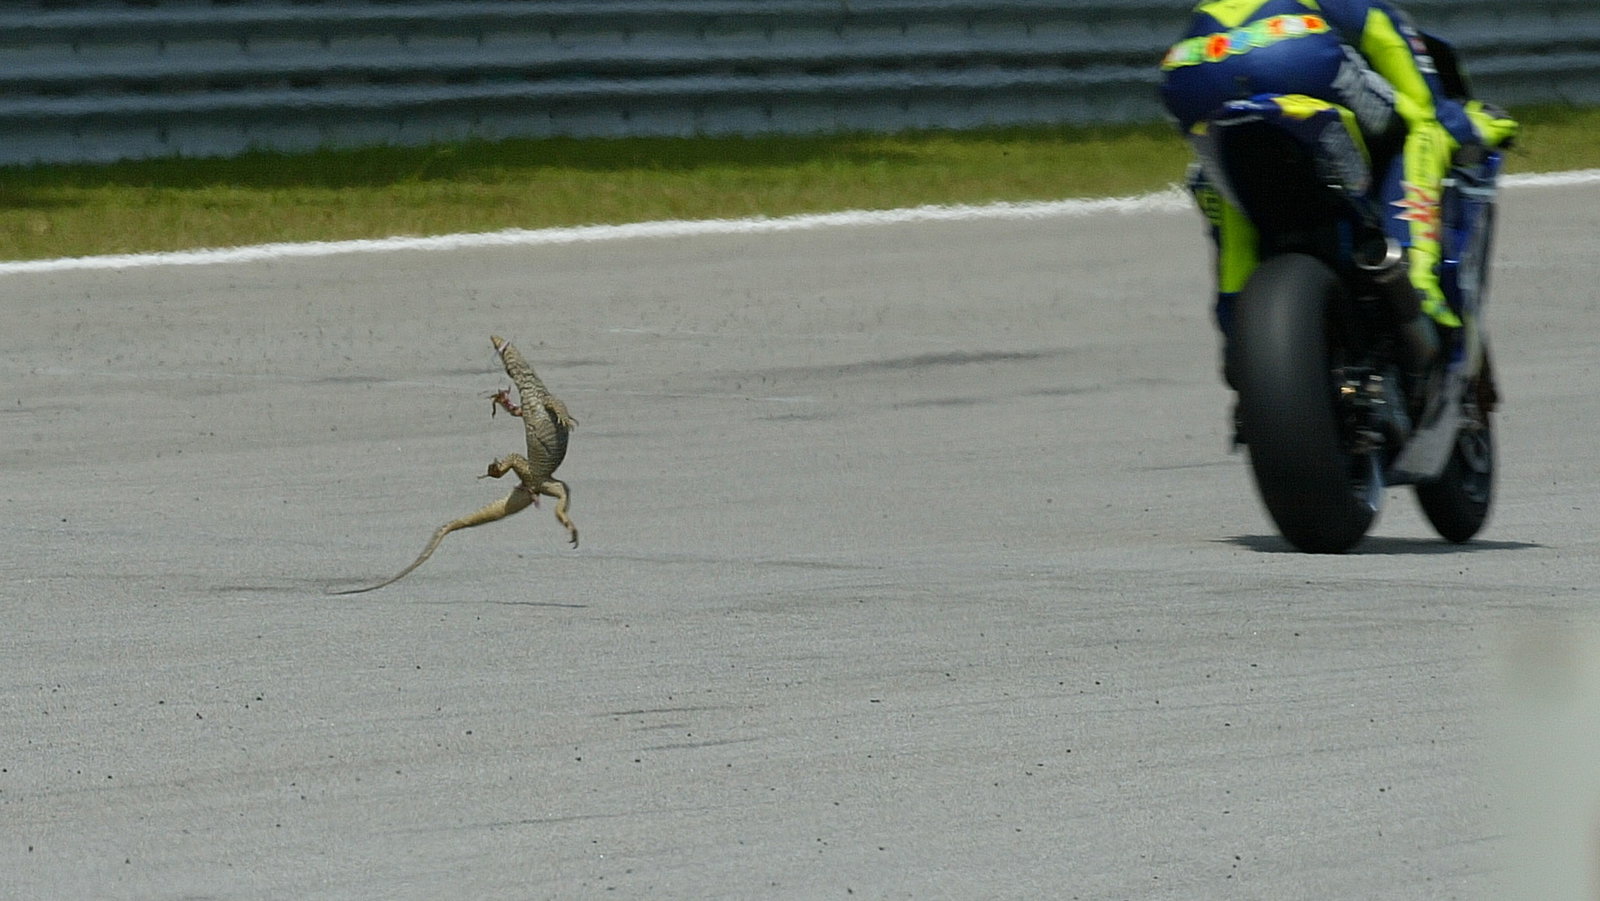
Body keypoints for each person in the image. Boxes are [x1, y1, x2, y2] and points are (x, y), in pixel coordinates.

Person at [1157, 0, 1518, 379]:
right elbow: (1383, 32)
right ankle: (1420, 285)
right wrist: (1464, 122)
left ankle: (1236, 332)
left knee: (1222, 183)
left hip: (1188, 71)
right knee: (1424, 130)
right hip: (1292, 50)